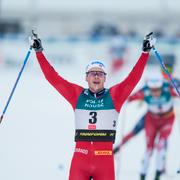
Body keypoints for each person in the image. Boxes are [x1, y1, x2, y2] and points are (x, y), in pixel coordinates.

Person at [29, 31, 155, 180]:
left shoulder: (115, 95)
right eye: (92, 73)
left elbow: (133, 78)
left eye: (100, 74)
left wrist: (145, 53)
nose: (96, 76)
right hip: (80, 160)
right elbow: (53, 78)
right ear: (86, 78)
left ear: (105, 78)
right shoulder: (77, 95)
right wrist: (39, 52)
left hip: (105, 161)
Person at [115, 74, 179, 180]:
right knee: (149, 148)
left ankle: (158, 174)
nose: (155, 92)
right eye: (152, 89)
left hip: (167, 119)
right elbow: (129, 98)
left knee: (161, 146)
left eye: (157, 89)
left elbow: (177, 92)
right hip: (151, 119)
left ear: (161, 87)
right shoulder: (144, 91)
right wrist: (125, 100)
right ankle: (142, 174)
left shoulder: (168, 89)